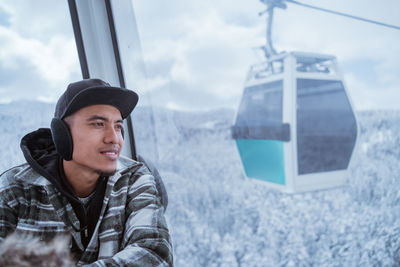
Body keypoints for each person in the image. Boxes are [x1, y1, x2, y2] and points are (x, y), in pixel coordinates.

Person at [0, 78, 173, 266]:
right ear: (62, 135)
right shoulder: (15, 189)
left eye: (118, 126)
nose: (114, 139)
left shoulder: (134, 179)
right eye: (98, 124)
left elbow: (155, 253)